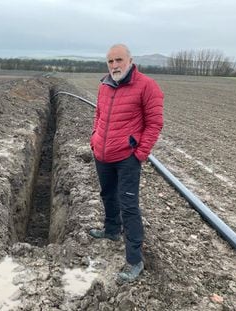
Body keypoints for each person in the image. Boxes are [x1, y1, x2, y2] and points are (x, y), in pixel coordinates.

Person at [89, 44, 164, 283]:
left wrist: (140, 153)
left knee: (129, 206)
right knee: (107, 194)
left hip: (126, 158)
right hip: (102, 154)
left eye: (118, 60)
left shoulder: (146, 86)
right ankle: (111, 230)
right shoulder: (104, 85)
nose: (114, 65)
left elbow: (155, 123)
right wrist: (95, 139)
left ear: (130, 60)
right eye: (110, 61)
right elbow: (99, 115)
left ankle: (134, 259)